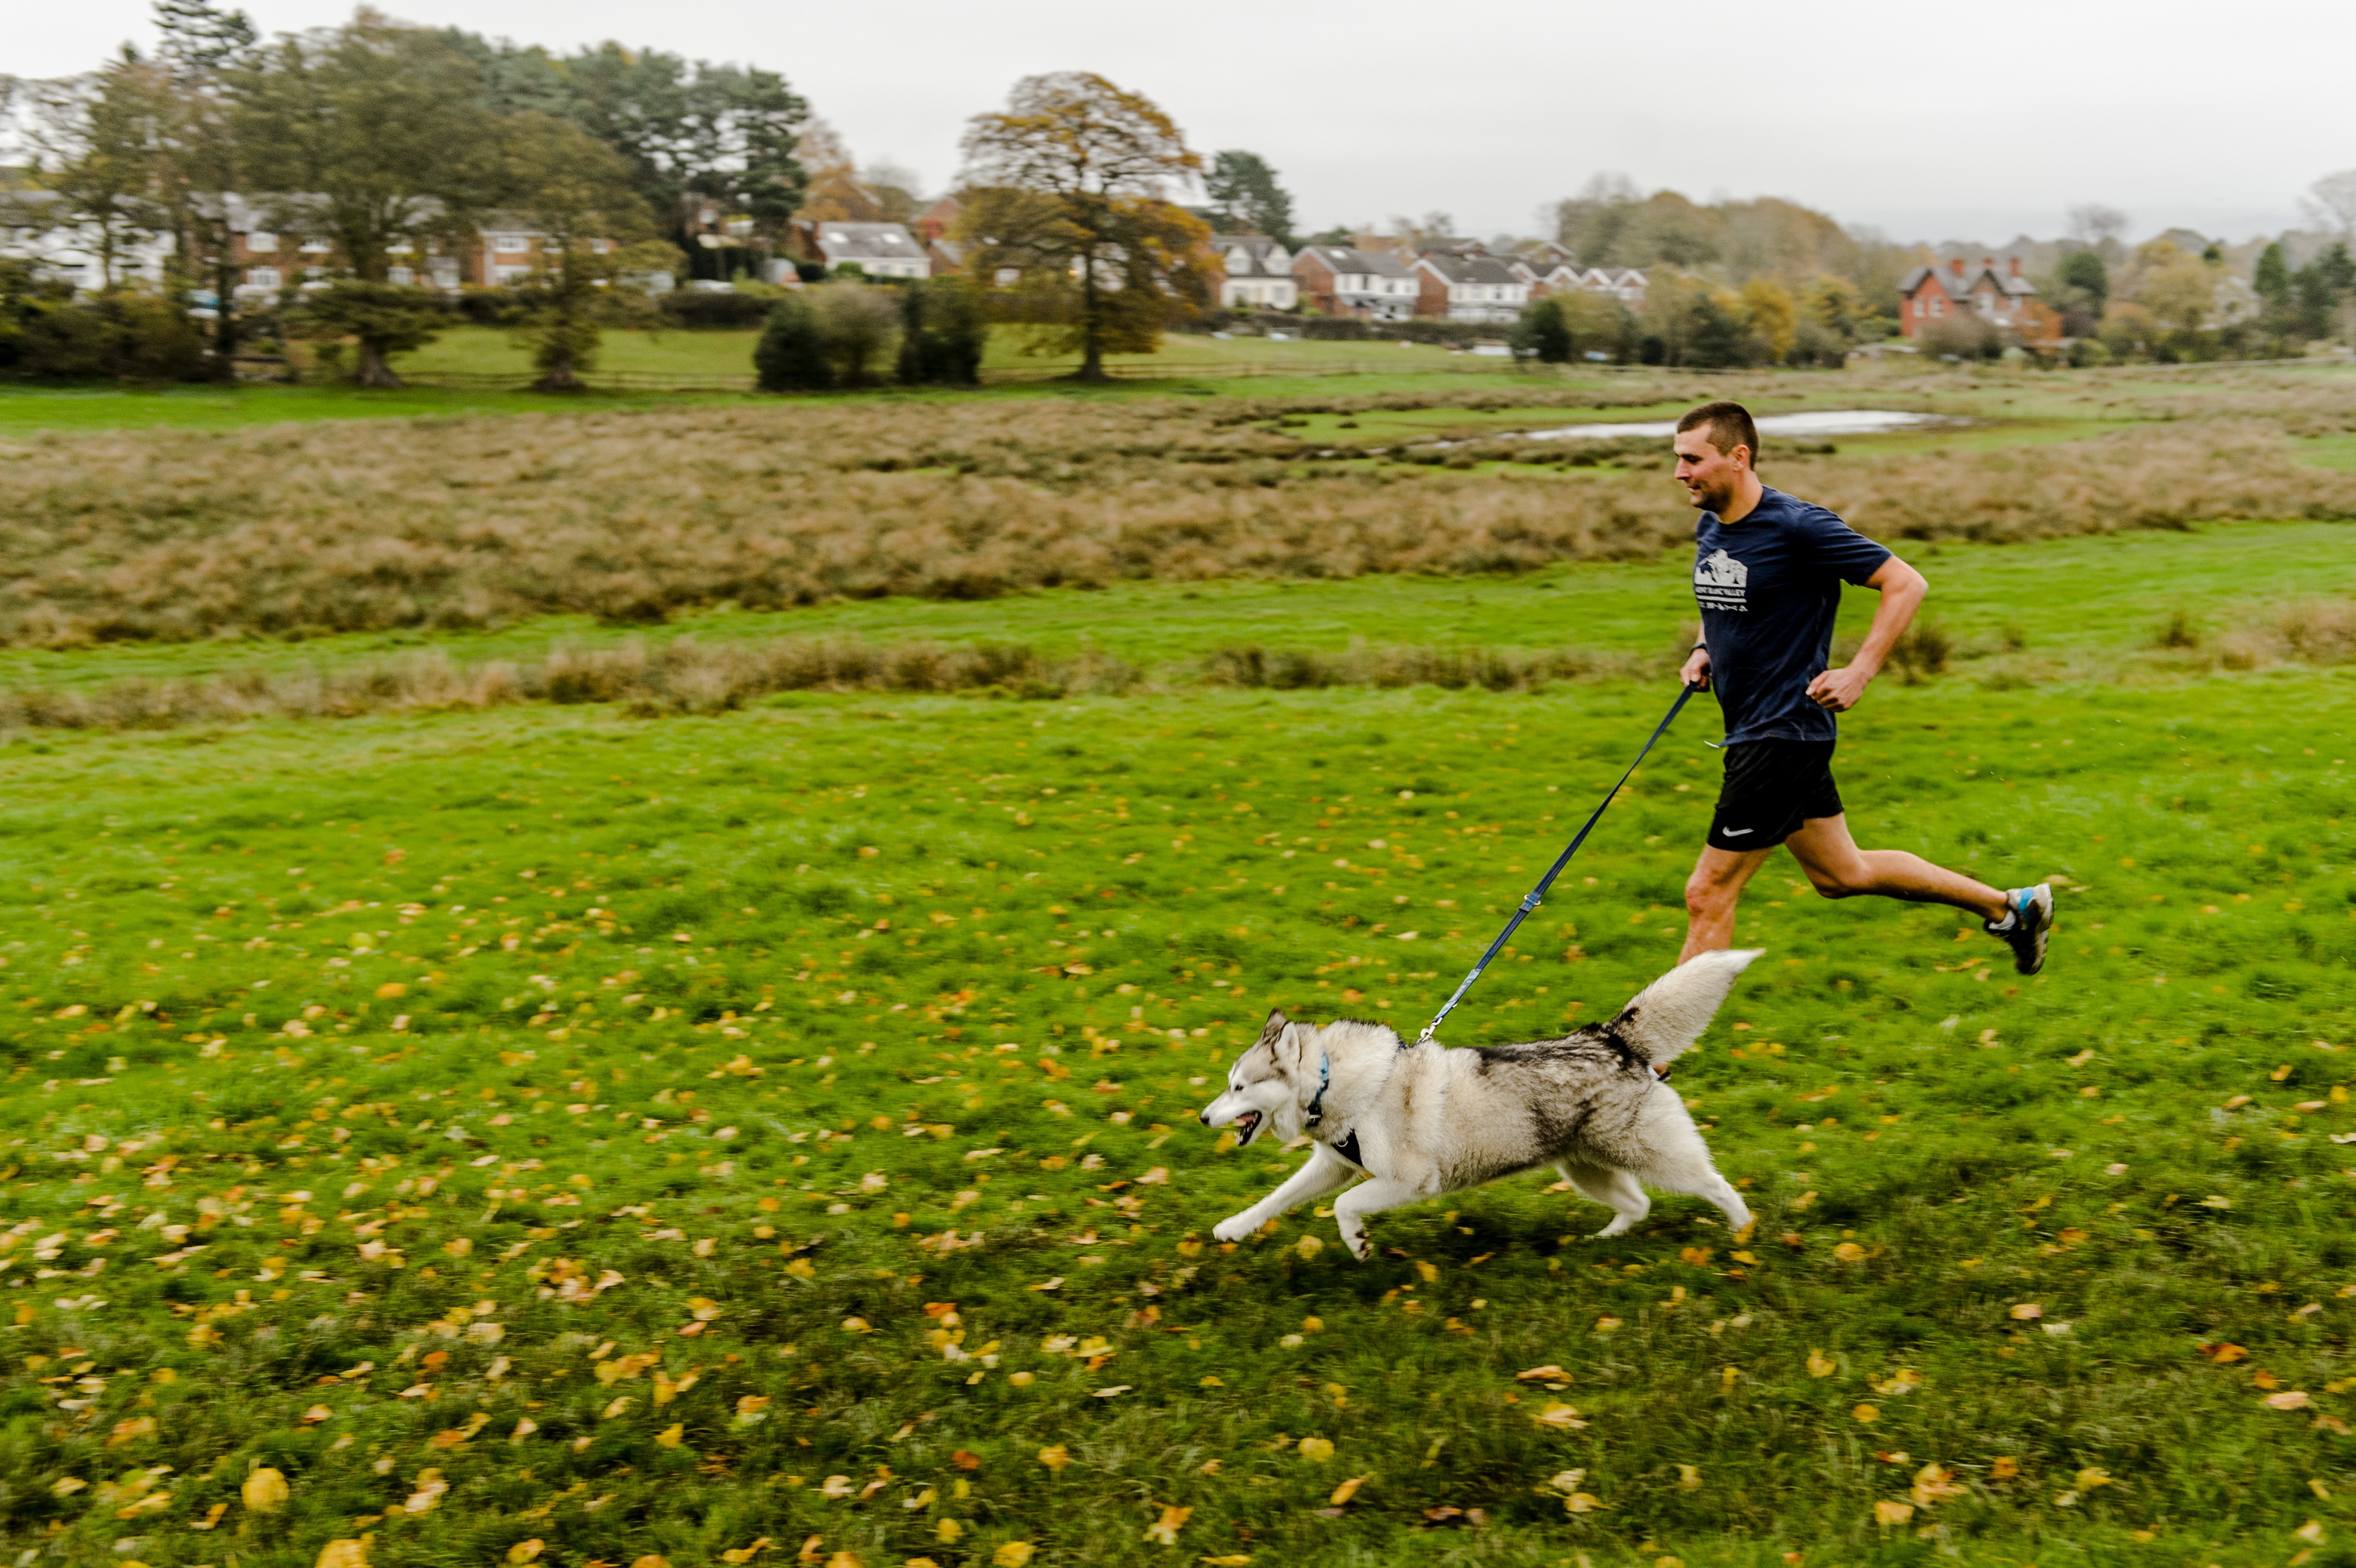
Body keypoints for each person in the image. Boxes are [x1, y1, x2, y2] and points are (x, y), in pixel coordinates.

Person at [1670, 400, 2052, 976]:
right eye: (1678, 459)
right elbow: (1723, 599)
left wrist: (1859, 671)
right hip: (1756, 728)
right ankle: (2011, 908)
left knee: (1707, 893)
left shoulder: (1798, 526)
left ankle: (1653, 1063)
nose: (1679, 473)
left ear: (1738, 457)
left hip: (1782, 735)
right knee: (1840, 875)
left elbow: (1905, 582)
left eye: (1692, 459)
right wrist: (1705, 649)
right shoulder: (1713, 525)